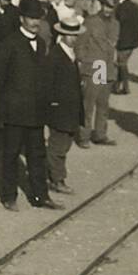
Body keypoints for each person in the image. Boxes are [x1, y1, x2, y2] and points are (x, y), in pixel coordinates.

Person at [0, 0, 62, 211]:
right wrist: (8, 102)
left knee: (37, 156)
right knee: (11, 155)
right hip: (14, 111)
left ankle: (41, 197)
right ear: (22, 19)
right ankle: (9, 197)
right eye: (31, 18)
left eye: (38, 18)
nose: (35, 22)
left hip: (36, 112)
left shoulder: (41, 43)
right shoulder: (9, 44)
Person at [44, 10, 86, 196]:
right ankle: (56, 179)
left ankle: (54, 176)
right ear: (62, 35)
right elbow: (48, 84)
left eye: (76, 35)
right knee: (57, 146)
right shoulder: (55, 55)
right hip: (60, 109)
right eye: (70, 35)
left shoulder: (70, 53)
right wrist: (52, 107)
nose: (74, 39)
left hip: (70, 109)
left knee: (64, 145)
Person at [76, 0, 119, 146]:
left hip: (107, 69)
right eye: (106, 6)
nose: (108, 10)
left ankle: (100, 134)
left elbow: (114, 47)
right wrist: (83, 62)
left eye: (112, 7)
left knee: (103, 105)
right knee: (88, 105)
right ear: (101, 5)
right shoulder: (91, 21)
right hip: (94, 67)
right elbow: (80, 44)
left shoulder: (115, 24)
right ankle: (84, 136)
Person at [113, 0, 138, 93]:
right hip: (133, 40)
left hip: (123, 40)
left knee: (121, 63)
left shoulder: (121, 7)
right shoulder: (135, 6)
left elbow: (119, 22)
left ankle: (125, 87)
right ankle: (117, 85)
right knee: (122, 62)